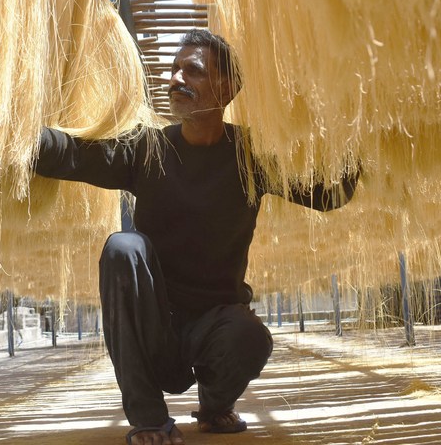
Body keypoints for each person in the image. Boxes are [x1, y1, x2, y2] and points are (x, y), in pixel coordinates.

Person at [33, 29, 360, 445]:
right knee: (123, 247)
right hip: (157, 329)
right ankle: (149, 418)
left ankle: (215, 405)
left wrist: (362, 138)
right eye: (173, 69)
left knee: (251, 338)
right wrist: (17, 136)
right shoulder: (147, 148)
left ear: (226, 89)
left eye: (193, 70)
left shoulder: (251, 157)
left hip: (216, 324)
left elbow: (326, 194)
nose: (175, 79)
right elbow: (74, 155)